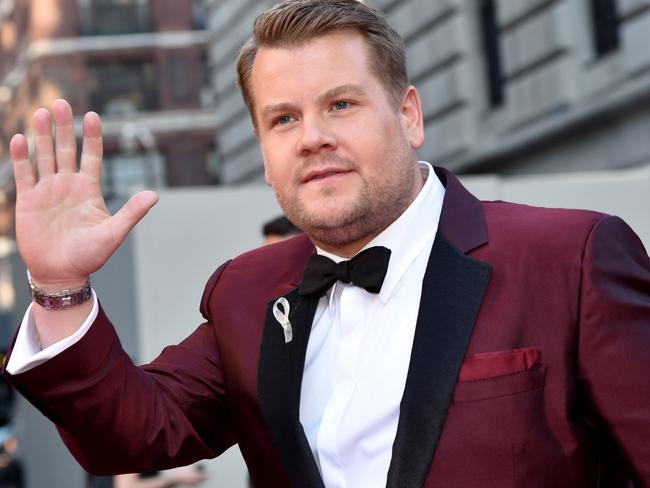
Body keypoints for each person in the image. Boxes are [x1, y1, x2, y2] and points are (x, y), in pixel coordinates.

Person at [2, 0, 649, 487]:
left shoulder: (573, 257)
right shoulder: (244, 294)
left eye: (340, 105)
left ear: (409, 115)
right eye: (284, 119)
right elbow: (137, 434)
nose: (312, 137)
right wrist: (61, 289)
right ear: (263, 153)